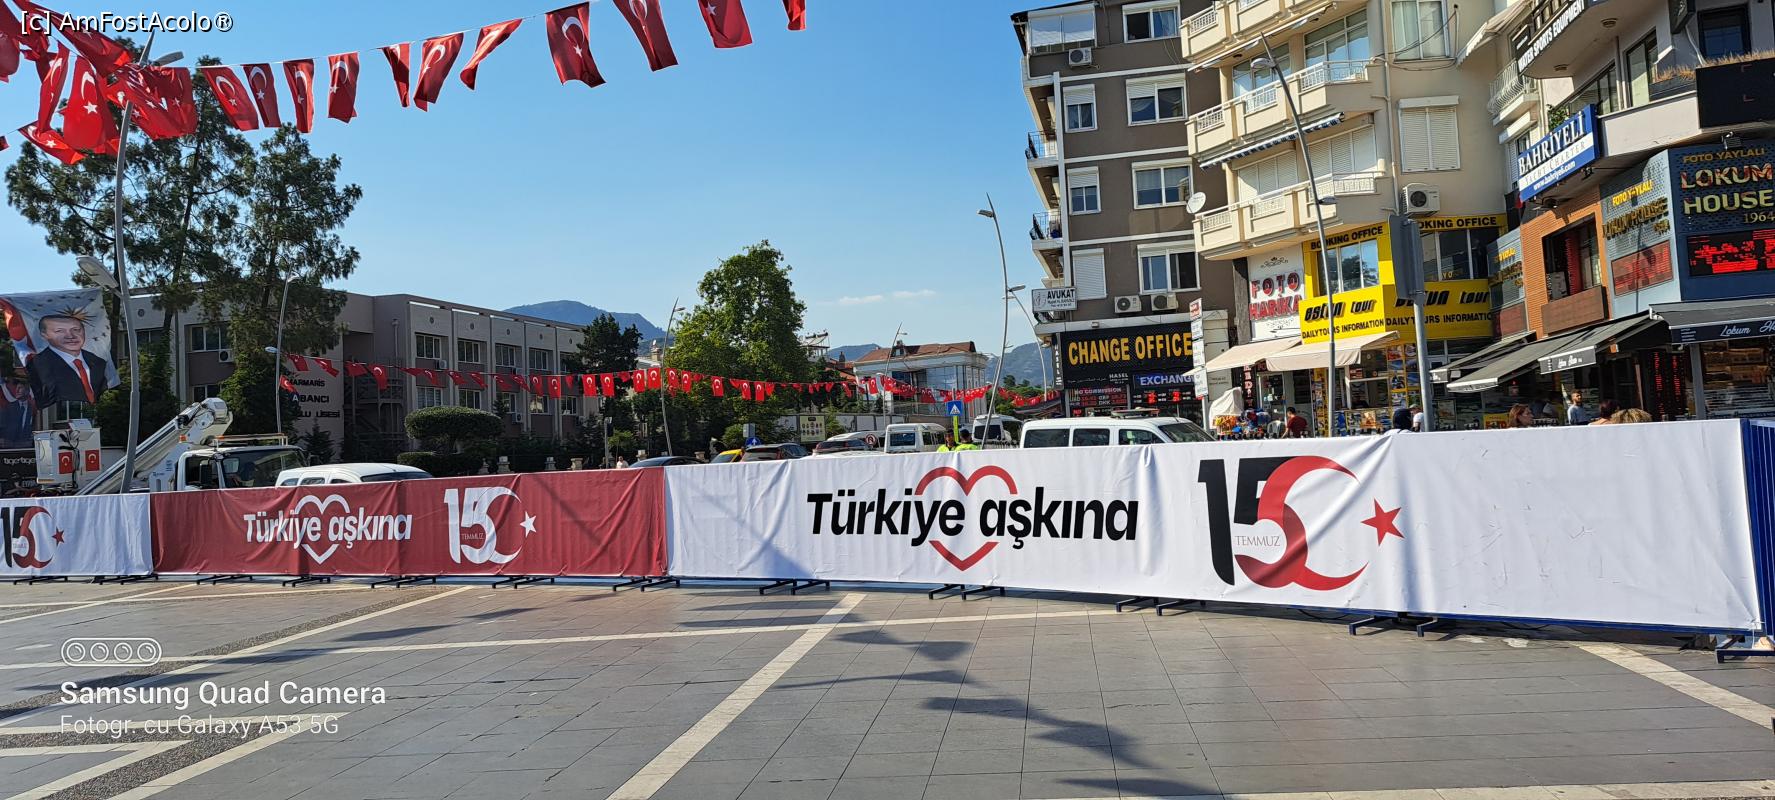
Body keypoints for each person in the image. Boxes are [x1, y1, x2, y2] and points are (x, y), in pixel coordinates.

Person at [24, 314, 110, 406]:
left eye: (76, 330)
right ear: (44, 335)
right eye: (60, 331)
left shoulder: (99, 362)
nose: (70, 336)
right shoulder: (38, 365)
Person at [0, 374, 34, 448]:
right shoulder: (8, 408)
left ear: (27, 391)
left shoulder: (32, 409)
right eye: (16, 388)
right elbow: (2, 429)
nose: (17, 390)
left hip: (27, 448)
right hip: (8, 448)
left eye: (20, 388)